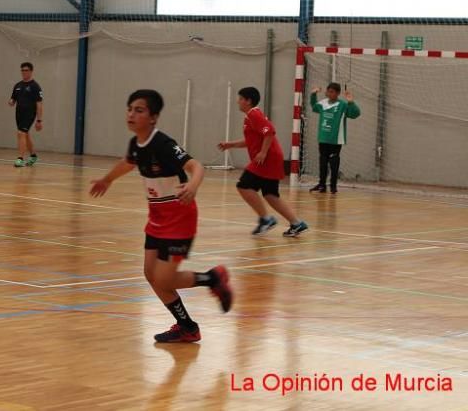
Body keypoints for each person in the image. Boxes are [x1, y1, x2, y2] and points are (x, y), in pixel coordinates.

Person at [89, 89, 232, 343]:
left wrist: (193, 185)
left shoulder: (163, 144)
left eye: (139, 110)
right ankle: (187, 326)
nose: (132, 114)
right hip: (156, 218)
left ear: (153, 117)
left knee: (164, 278)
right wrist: (107, 180)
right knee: (150, 273)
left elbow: (195, 166)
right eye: (130, 109)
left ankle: (212, 278)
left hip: (179, 217)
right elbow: (128, 162)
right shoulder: (137, 144)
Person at [218, 87, 309, 237]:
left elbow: (270, 131)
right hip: (271, 157)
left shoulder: (254, 114)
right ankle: (297, 224)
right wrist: (231, 144)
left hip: (267, 159)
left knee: (244, 185)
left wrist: (263, 152)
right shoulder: (251, 116)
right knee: (270, 194)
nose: (238, 101)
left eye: (240, 99)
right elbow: (252, 140)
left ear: (248, 101)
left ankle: (266, 219)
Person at [308, 82, 361, 194]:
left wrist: (351, 102)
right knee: (323, 162)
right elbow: (314, 107)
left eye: (332, 91)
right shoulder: (322, 104)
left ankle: (333, 186)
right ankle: (322, 185)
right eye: (328, 91)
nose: (329, 93)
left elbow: (356, 114)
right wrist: (313, 94)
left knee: (333, 163)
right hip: (323, 138)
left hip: (336, 139)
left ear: (337, 93)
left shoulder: (342, 105)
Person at [8, 62, 43, 167]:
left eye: (26, 70)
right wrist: (11, 101)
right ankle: (33, 155)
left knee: (21, 133)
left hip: (30, 114)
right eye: (22, 70)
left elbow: (39, 104)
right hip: (19, 114)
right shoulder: (17, 86)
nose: (24, 72)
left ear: (31, 71)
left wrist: (39, 120)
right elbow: (13, 99)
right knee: (25, 134)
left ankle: (20, 159)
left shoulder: (35, 86)